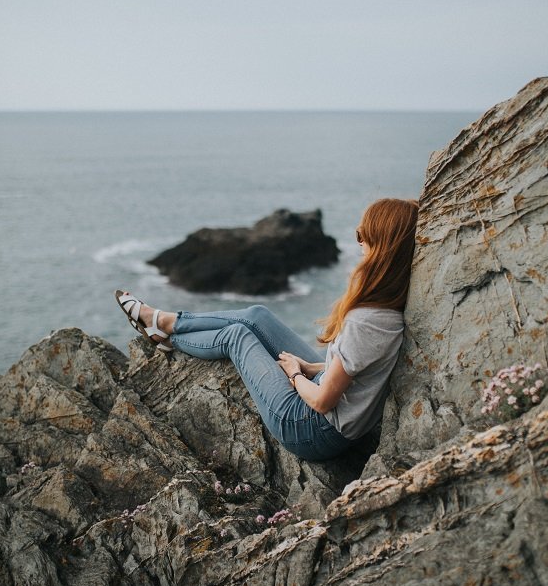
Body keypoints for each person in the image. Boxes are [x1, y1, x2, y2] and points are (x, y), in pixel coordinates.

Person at [115, 198, 418, 462]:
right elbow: (352, 370)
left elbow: (323, 401)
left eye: (364, 234)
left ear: (382, 247)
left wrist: (295, 374)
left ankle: (168, 335)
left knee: (237, 336)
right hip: (327, 404)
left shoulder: (366, 321)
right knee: (256, 315)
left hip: (309, 427)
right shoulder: (387, 307)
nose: (358, 240)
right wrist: (309, 367)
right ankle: (166, 321)